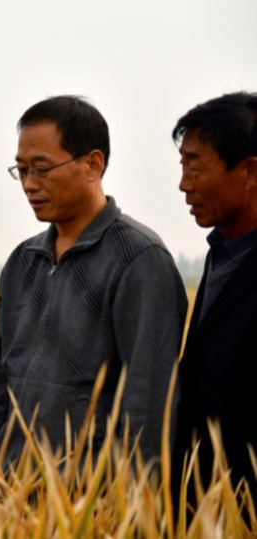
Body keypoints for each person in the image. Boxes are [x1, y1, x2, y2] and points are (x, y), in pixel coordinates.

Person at [0, 96, 188, 466]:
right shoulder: (22, 261)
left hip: (93, 496)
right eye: (22, 170)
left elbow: (149, 395)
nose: (29, 184)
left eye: (42, 169)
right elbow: (1, 376)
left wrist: (135, 503)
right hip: (12, 487)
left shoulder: (139, 259)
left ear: (93, 164)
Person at [172, 92, 257, 502]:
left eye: (196, 166)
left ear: (250, 171)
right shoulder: (221, 251)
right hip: (202, 499)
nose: (184, 184)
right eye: (182, 165)